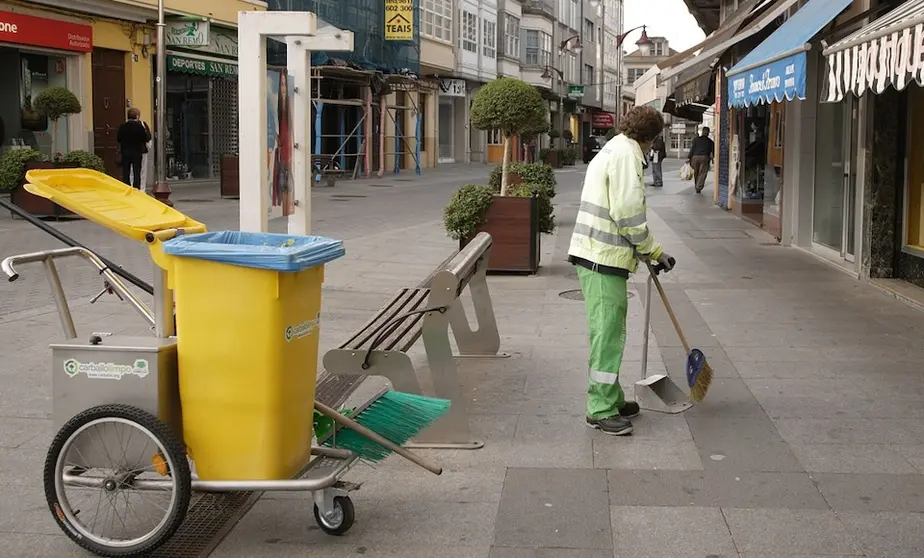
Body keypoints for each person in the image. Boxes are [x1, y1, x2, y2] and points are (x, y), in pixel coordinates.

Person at [568, 105, 675, 436]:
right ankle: (599, 407)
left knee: (610, 331)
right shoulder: (628, 155)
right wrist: (653, 250)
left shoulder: (615, 148)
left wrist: (645, 250)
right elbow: (627, 212)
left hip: (601, 254)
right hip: (601, 257)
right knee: (607, 333)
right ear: (649, 137)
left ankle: (610, 397)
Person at [116, 108, 151, 189]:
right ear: (137, 116)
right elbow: (145, 138)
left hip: (125, 152)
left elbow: (118, 138)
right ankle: (136, 189)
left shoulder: (123, 126)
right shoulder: (139, 127)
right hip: (137, 152)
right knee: (137, 172)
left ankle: (126, 187)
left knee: (126, 172)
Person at [687, 127, 714, 194]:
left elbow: (692, 149)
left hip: (695, 157)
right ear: (708, 132)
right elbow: (713, 151)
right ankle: (698, 186)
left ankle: (696, 185)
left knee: (696, 173)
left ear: (702, 132)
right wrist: (712, 158)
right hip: (704, 157)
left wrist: (689, 157)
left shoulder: (696, 139)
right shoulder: (710, 141)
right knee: (702, 173)